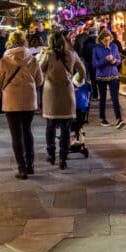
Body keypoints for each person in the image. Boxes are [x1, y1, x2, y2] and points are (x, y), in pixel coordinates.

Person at [0, 30, 44, 178]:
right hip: (29, 99)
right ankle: (30, 165)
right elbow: (40, 81)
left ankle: (21, 168)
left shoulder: (4, 60)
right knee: (27, 131)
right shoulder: (33, 59)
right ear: (24, 42)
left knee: (16, 134)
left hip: (11, 101)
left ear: (10, 42)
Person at [39, 32, 85, 169]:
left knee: (50, 125)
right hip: (67, 92)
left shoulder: (47, 55)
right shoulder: (72, 54)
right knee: (66, 127)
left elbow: (38, 69)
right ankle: (63, 157)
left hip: (50, 93)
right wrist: (76, 82)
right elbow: (82, 71)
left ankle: (51, 153)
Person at [92, 30, 125, 127]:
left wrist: (115, 61)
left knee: (115, 98)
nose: (107, 42)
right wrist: (105, 60)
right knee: (103, 98)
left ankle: (119, 119)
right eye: (105, 40)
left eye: (109, 40)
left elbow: (119, 60)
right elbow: (94, 65)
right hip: (101, 77)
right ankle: (103, 118)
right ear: (100, 40)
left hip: (113, 75)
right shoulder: (96, 49)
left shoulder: (114, 46)